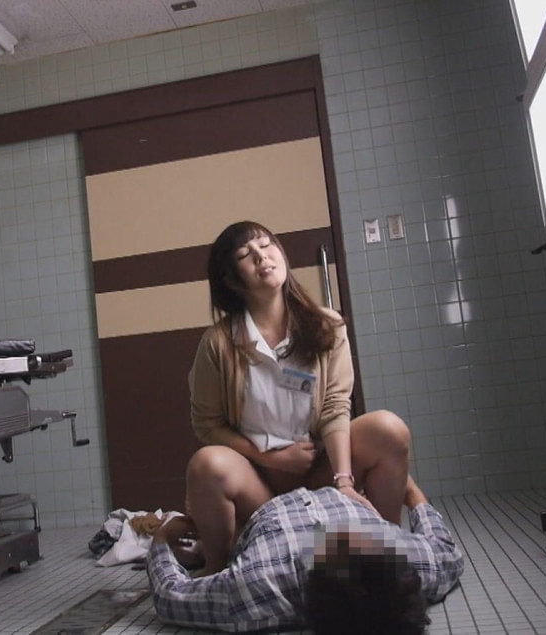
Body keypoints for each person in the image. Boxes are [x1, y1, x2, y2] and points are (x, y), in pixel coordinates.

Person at [187, 221, 412, 574]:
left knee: (388, 428)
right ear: (231, 280)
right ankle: (217, 569)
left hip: (319, 475)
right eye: (246, 254)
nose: (261, 256)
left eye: (266, 244)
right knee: (206, 464)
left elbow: (335, 407)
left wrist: (343, 481)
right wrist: (270, 457)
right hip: (258, 485)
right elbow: (206, 424)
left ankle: (387, 551)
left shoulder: (327, 325)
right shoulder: (218, 343)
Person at [147, 475, 463, 633]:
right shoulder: (407, 566)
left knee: (207, 469)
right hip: (333, 483)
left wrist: (162, 540)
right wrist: (413, 495)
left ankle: (208, 548)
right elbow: (446, 550)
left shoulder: (258, 585)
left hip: (258, 503)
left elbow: (171, 596)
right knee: (387, 430)